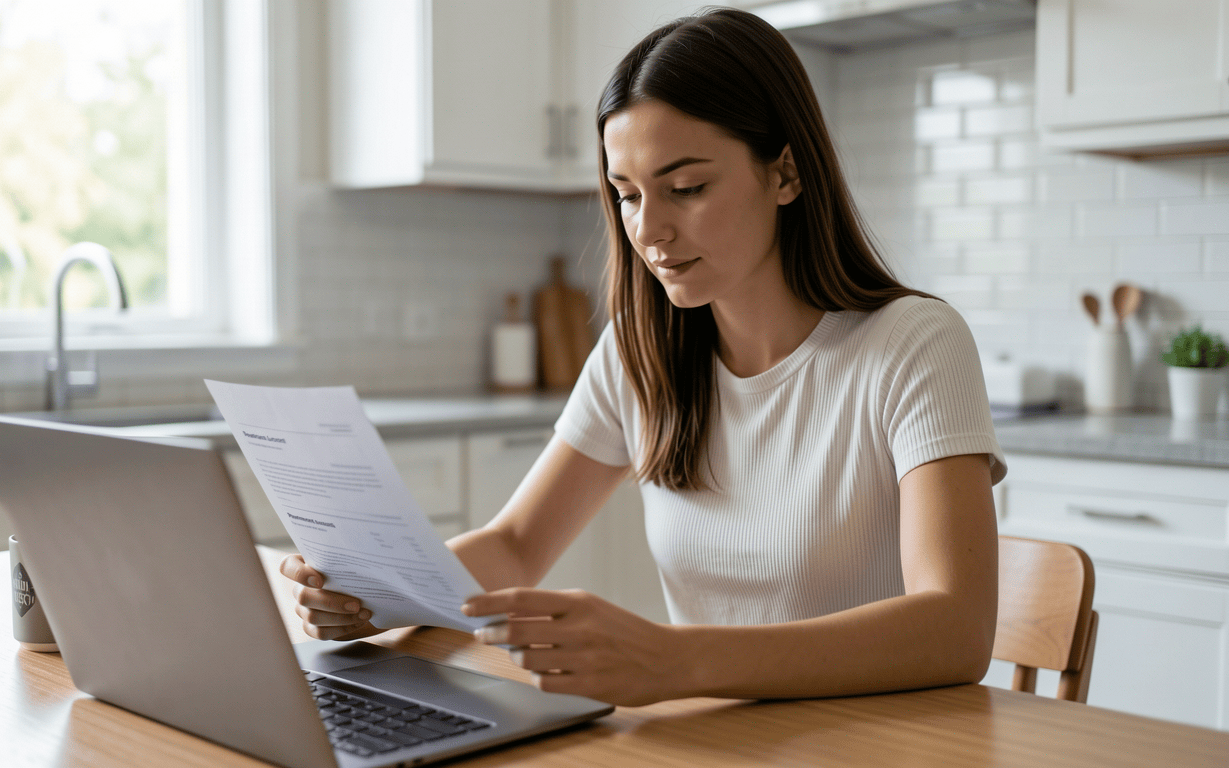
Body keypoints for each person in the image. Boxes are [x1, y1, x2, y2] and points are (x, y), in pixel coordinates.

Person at [282, 8, 1004, 707]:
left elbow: (956, 629)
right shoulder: (641, 349)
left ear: (785, 173)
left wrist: (675, 660)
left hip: (881, 742)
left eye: (686, 188)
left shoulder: (913, 344)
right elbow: (516, 542)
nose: (649, 229)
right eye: (627, 195)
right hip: (711, 737)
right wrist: (379, 596)